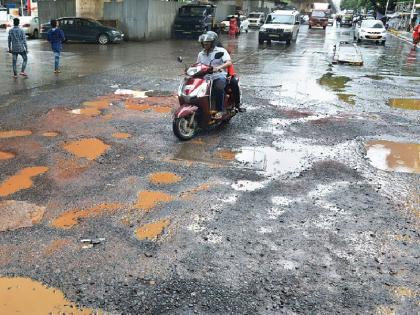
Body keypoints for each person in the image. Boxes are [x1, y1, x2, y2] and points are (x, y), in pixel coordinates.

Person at [197, 31, 232, 119]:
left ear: (212, 43)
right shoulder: (201, 54)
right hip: (205, 77)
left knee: (219, 86)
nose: (206, 45)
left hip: (218, 75)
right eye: (204, 43)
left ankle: (219, 110)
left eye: (208, 43)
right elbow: (197, 65)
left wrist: (219, 67)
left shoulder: (221, 51)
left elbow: (229, 62)